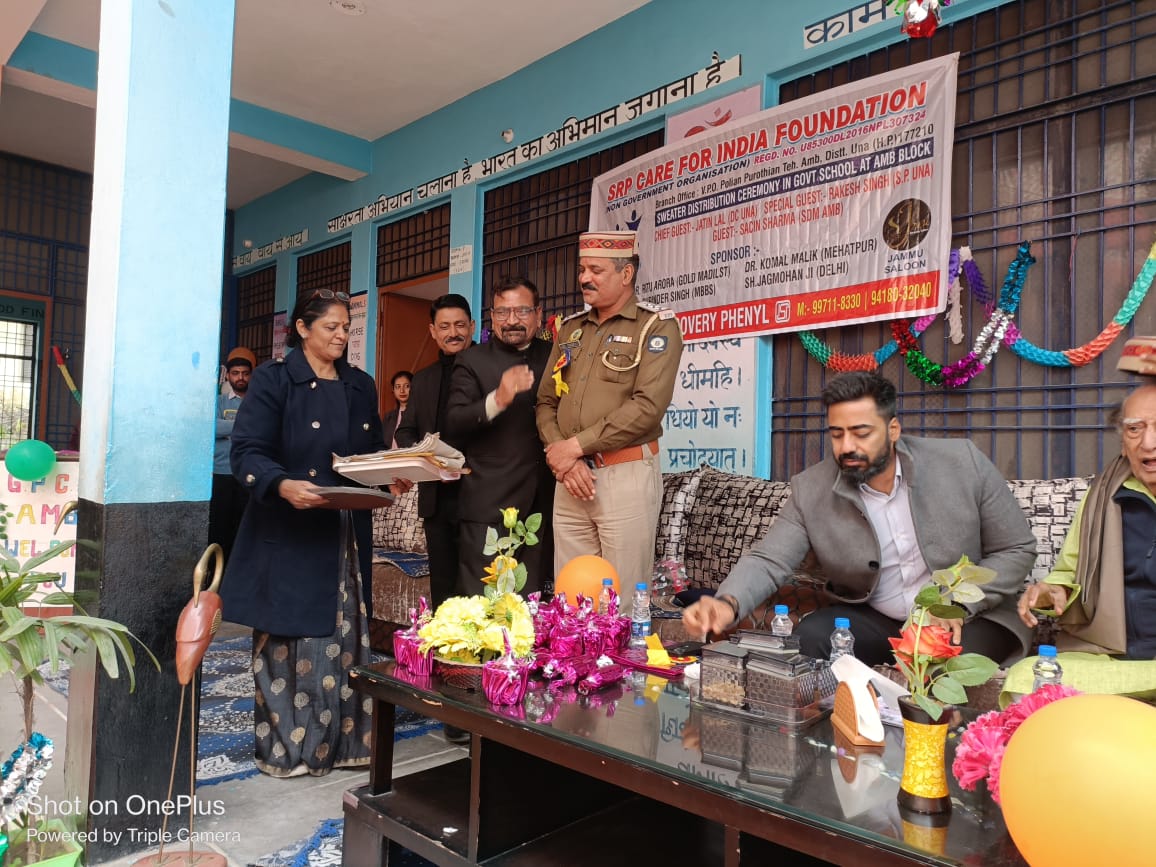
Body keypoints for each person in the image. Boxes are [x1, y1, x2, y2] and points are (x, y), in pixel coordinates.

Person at [683, 371, 1038, 665]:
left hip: (966, 618)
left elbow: (1016, 549)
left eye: (861, 433)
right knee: (811, 638)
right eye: (837, 434)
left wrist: (957, 605)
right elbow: (769, 559)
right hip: (877, 619)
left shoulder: (962, 462)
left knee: (943, 666)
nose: (847, 446)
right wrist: (727, 603)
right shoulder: (812, 489)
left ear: (893, 430)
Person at [220, 289, 387, 778]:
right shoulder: (274, 380)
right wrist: (281, 484)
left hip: (342, 530)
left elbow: (371, 453)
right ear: (302, 328)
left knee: (345, 635)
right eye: (331, 327)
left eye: (346, 328)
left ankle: (346, 745)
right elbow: (246, 451)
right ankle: (290, 751)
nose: (341, 336)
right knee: (289, 641)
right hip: (289, 528)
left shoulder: (359, 384)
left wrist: (392, 473)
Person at [535, 230, 683, 589]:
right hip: (570, 478)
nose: (584, 278)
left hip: (624, 475)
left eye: (596, 270)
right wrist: (563, 457)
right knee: (571, 596)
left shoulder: (655, 326)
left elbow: (647, 407)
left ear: (626, 273)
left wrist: (574, 447)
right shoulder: (570, 330)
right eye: (582, 269)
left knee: (622, 596)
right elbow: (545, 401)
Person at [1018, 383, 1156, 659]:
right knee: (1028, 678)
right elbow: (1070, 573)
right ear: (1123, 444)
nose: (1149, 443)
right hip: (1111, 652)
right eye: (1134, 429)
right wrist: (1053, 591)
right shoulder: (1103, 499)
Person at [446, 276, 555, 595]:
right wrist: (499, 398)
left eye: (522, 311)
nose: (512, 321)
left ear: (538, 314)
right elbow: (454, 421)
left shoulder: (555, 356)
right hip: (490, 509)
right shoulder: (472, 360)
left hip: (548, 507)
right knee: (486, 604)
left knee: (537, 605)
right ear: (492, 317)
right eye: (503, 312)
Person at [394, 294, 475, 608]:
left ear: (472, 326)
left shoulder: (487, 367)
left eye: (459, 325)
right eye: (444, 326)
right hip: (436, 500)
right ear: (432, 331)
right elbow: (405, 431)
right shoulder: (424, 379)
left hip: (479, 496)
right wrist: (423, 457)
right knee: (443, 589)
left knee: (479, 587)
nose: (453, 333)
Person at [209, 346, 255, 562]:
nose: (240, 378)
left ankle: (236, 570)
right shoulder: (219, 401)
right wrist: (245, 427)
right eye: (235, 373)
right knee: (219, 528)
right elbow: (212, 427)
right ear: (228, 375)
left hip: (248, 474)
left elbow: (263, 429)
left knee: (243, 527)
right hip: (221, 473)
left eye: (245, 373)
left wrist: (229, 428)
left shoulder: (257, 402)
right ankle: (216, 570)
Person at [382, 370, 412, 447]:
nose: (402, 390)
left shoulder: (421, 414)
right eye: (398, 387)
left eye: (406, 386)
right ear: (393, 390)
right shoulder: (388, 417)